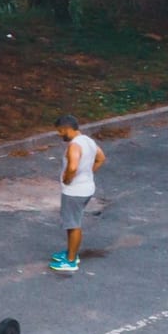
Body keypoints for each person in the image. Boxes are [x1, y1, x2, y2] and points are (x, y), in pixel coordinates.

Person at [52, 115, 103, 274]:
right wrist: (88, 173)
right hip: (87, 187)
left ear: (67, 128)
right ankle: (70, 253)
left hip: (74, 191)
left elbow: (72, 167)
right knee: (73, 222)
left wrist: (68, 179)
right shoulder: (88, 141)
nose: (60, 135)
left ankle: (71, 260)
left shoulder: (74, 146)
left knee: (73, 224)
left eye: (60, 131)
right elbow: (101, 158)